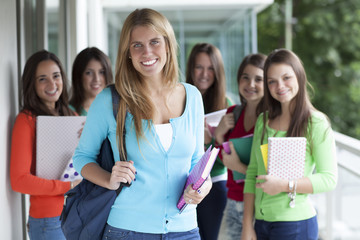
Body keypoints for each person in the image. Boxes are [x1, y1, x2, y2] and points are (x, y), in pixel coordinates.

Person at [72, 8, 212, 240]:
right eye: (137, 45)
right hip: (127, 230)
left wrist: (203, 188)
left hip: (185, 230)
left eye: (155, 42)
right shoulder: (109, 100)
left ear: (168, 45)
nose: (147, 52)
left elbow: (197, 162)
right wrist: (108, 178)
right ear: (127, 52)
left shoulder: (193, 97)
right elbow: (82, 157)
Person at [241, 49, 338, 240]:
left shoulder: (315, 123)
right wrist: (247, 225)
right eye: (272, 81)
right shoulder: (263, 120)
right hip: (261, 224)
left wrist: (285, 185)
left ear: (299, 77)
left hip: (296, 225)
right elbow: (252, 174)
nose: (280, 86)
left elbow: (329, 178)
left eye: (286, 78)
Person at [10, 50, 81, 240]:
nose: (52, 84)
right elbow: (19, 180)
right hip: (48, 222)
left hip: (76, 215)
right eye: (42, 79)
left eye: (56, 76)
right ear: (32, 85)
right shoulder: (26, 121)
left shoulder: (72, 117)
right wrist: (67, 186)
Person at [215, 53, 267, 240]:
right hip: (233, 201)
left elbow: (270, 175)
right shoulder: (233, 113)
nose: (250, 84)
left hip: (259, 205)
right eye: (245, 77)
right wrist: (219, 135)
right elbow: (224, 159)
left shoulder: (272, 121)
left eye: (258, 79)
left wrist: (238, 167)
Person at [186, 43, 232, 240]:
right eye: (199, 67)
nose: (204, 74)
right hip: (184, 184)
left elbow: (230, 157)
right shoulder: (180, 99)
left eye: (210, 68)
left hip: (215, 183)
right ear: (191, 69)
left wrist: (211, 140)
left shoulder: (227, 106)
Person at [69, 47, 113, 116]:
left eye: (102, 72)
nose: (96, 79)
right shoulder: (68, 112)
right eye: (89, 73)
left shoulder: (116, 110)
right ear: (78, 76)